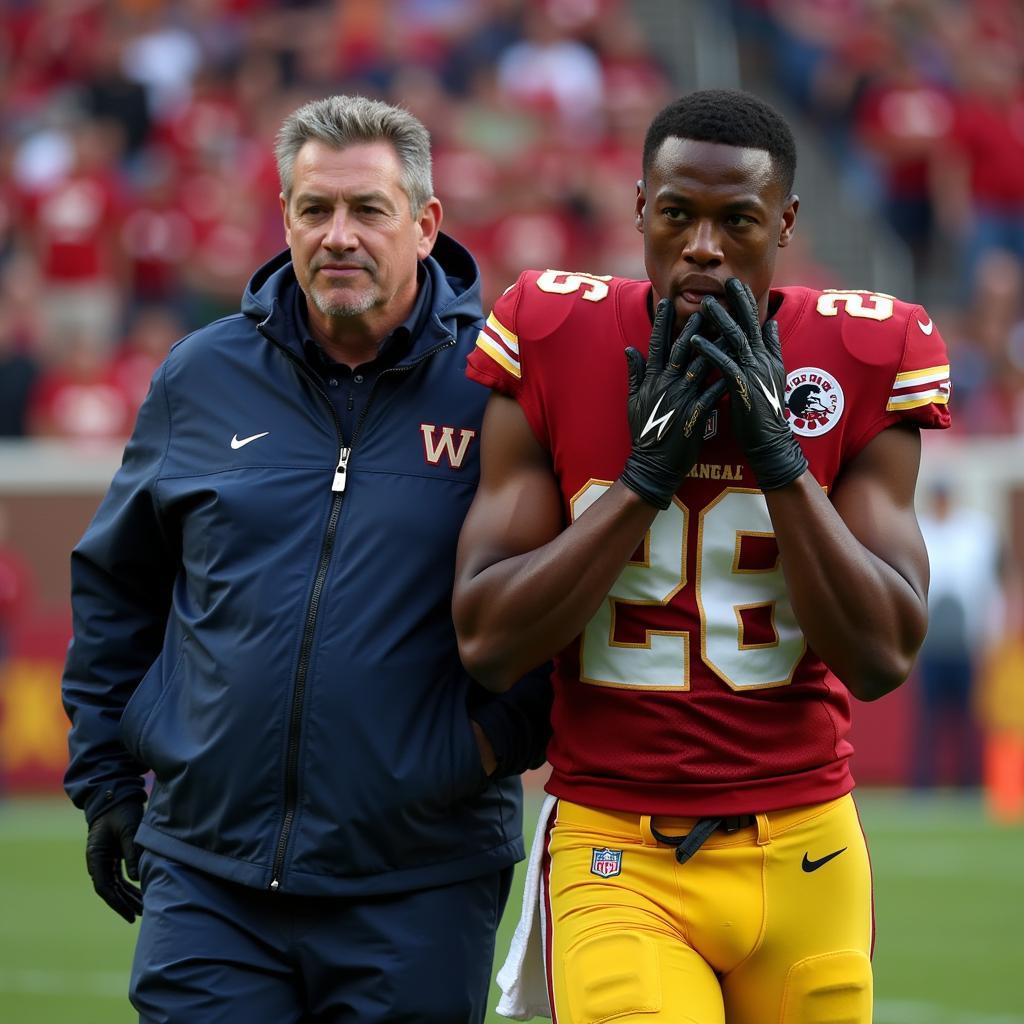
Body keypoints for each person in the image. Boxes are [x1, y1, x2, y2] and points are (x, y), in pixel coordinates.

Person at [453, 89, 951, 1024]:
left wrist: (780, 461)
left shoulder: (862, 349)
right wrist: (642, 481)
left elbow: (882, 656)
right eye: (678, 214)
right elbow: (488, 640)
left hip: (808, 849)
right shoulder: (555, 334)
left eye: (739, 220)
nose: (705, 248)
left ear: (787, 224)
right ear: (640, 207)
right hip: (618, 846)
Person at [61, 94, 551, 1023]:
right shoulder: (198, 376)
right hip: (210, 875)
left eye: (368, 209)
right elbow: (117, 590)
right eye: (313, 209)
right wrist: (106, 782)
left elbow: (560, 599)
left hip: (421, 880)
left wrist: (479, 747)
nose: (339, 236)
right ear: (283, 217)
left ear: (425, 222)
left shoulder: (504, 386)